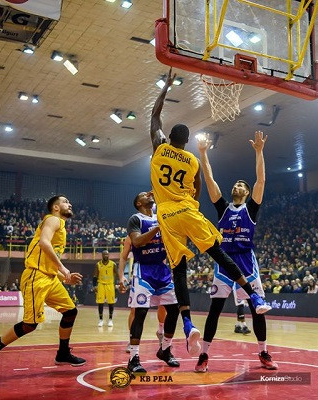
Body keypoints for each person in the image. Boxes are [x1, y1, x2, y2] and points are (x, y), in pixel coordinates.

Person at [149, 69, 270, 355]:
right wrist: (193, 198)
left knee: (179, 268)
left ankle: (188, 323)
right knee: (217, 252)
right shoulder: (191, 161)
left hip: (166, 214)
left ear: (169, 137)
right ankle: (249, 301)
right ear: (187, 142)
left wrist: (166, 87)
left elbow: (155, 117)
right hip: (189, 210)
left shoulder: (159, 148)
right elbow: (200, 186)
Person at [0, 196, 86, 380]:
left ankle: (63, 353)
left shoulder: (61, 226)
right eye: (66, 201)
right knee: (30, 324)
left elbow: (46, 259)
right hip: (36, 277)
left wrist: (64, 277)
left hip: (50, 278)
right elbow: (44, 243)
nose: (70, 204)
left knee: (70, 312)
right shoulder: (53, 219)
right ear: (56, 207)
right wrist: (63, 268)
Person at [195, 131, 277, 372]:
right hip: (224, 262)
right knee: (215, 311)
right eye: (235, 184)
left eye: (241, 184)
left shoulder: (251, 208)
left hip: (246, 262)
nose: (237, 185)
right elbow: (209, 179)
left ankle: (263, 352)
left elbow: (261, 180)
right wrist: (203, 153)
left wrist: (259, 152)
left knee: (257, 310)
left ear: (248, 192)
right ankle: (203, 354)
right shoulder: (223, 208)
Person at [118, 191, 180, 373]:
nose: (148, 195)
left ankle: (165, 349)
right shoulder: (135, 219)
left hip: (162, 269)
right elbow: (137, 242)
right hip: (143, 270)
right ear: (138, 203)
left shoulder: (160, 215)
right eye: (144, 195)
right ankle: (133, 358)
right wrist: (158, 228)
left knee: (174, 310)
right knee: (140, 313)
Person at [118, 236, 166, 353]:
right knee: (134, 309)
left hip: (158, 271)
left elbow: (164, 254)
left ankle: (161, 332)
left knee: (163, 306)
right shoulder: (132, 236)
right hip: (140, 273)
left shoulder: (160, 233)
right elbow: (123, 256)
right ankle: (131, 339)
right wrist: (121, 276)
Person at [94, 250, 117, 327]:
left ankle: (110, 320)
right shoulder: (98, 264)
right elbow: (95, 276)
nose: (106, 256)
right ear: (102, 255)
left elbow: (117, 274)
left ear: (109, 255)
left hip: (110, 285)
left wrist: (118, 284)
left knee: (111, 303)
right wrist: (94, 285)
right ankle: (101, 320)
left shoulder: (113, 264)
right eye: (104, 254)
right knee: (100, 303)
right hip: (101, 284)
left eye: (107, 254)